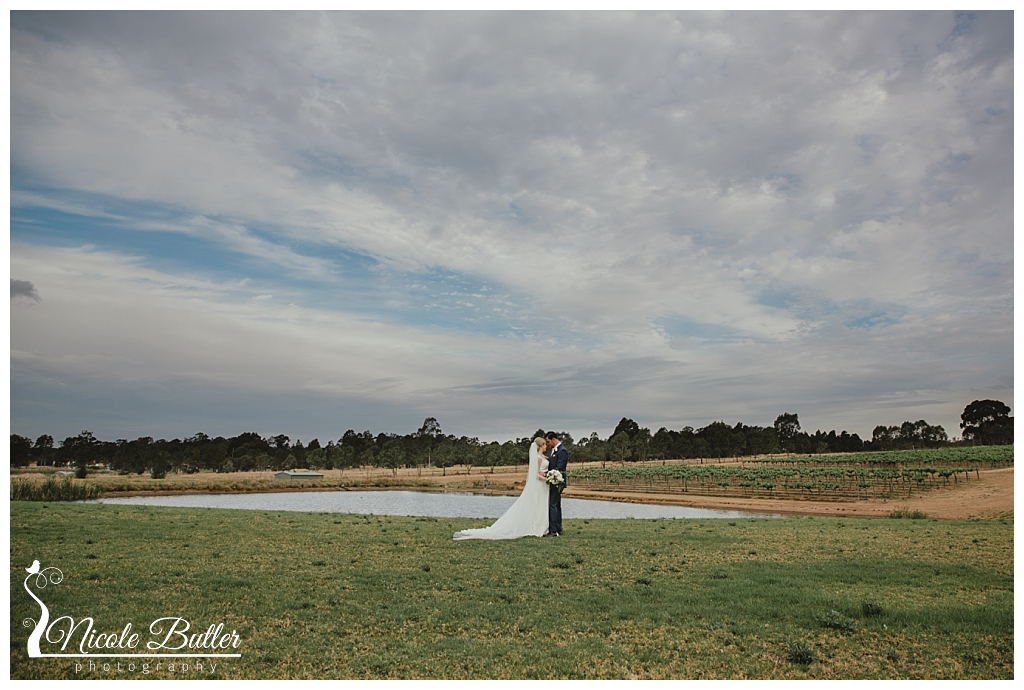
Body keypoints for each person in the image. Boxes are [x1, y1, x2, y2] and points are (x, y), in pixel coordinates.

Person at [453, 437, 551, 540]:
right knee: (538, 504)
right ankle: (536, 526)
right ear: (541, 445)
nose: (546, 446)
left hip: (543, 485)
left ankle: (542, 526)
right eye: (545, 444)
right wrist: (547, 479)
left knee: (541, 504)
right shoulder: (538, 458)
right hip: (540, 484)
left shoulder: (543, 456)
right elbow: (534, 474)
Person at [544, 431, 568, 537]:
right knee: (556, 504)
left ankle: (553, 530)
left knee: (552, 504)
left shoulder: (562, 451)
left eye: (548, 441)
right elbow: (553, 462)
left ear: (553, 439)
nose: (548, 444)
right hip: (554, 480)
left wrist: (546, 474)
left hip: (558, 481)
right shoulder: (553, 451)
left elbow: (560, 467)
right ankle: (558, 528)